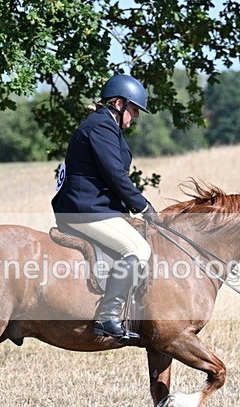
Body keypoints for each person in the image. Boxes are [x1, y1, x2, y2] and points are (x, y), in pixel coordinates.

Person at [51, 74, 158, 343]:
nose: (135, 117)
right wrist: (142, 205)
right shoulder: (101, 126)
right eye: (134, 110)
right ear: (119, 103)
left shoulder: (105, 126)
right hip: (84, 209)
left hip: (93, 207)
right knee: (137, 249)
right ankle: (108, 316)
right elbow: (114, 174)